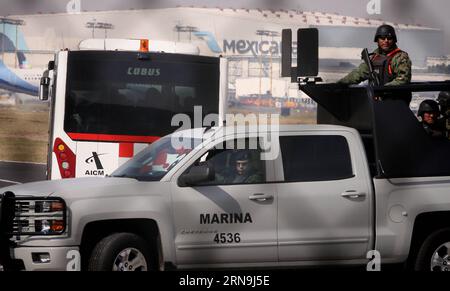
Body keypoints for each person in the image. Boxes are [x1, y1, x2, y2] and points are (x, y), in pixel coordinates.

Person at [338, 24, 412, 87]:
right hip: (375, 98)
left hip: (395, 100)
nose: (386, 41)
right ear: (377, 40)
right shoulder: (374, 57)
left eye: (389, 38)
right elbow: (358, 74)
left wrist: (383, 89)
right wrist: (338, 84)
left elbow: (403, 79)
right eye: (382, 38)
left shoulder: (400, 57)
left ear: (394, 40)